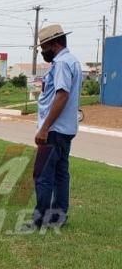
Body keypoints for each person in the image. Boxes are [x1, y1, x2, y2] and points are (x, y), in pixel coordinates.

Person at [32, 25, 81, 228]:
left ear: (55, 44)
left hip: (54, 130)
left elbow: (62, 95)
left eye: (44, 47)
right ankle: (58, 216)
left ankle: (41, 219)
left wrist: (44, 128)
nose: (42, 52)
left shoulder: (61, 63)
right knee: (61, 174)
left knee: (43, 174)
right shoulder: (73, 61)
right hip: (66, 129)